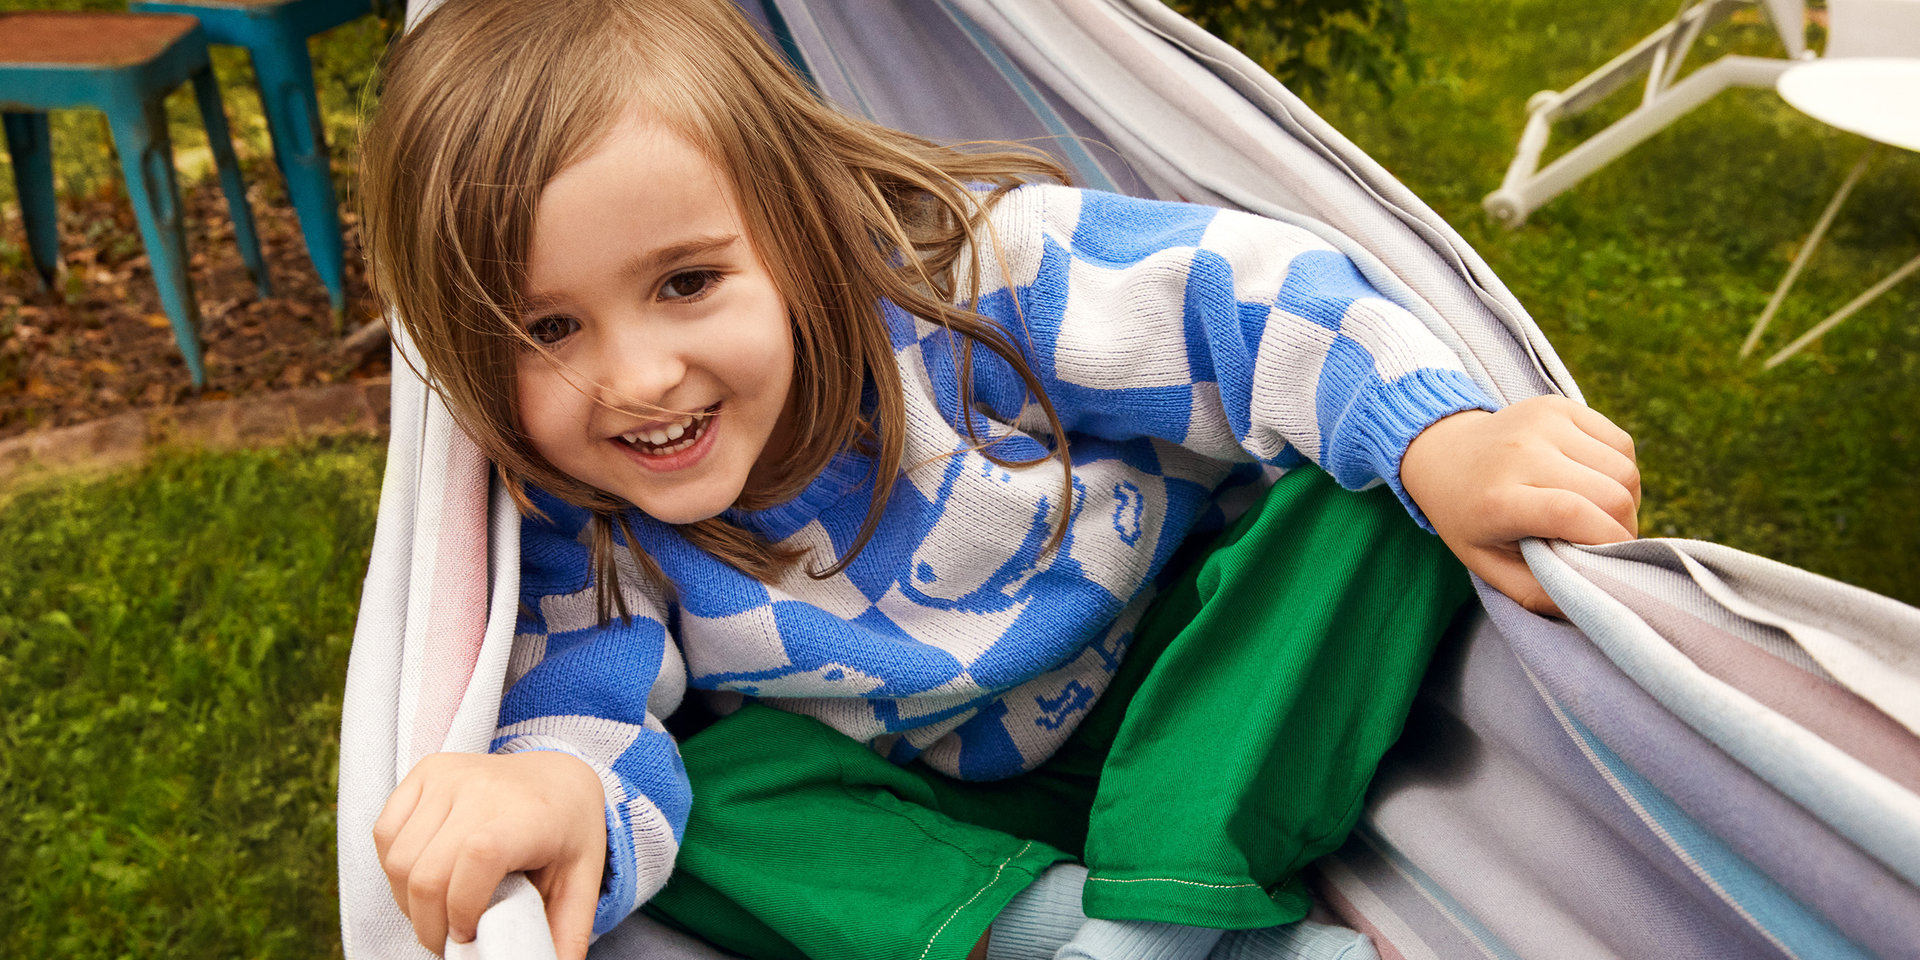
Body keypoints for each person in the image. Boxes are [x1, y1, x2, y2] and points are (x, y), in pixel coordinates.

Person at [356, 1, 1641, 958]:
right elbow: (587, 706)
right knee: (710, 796)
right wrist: (557, 785)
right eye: (546, 330)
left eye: (687, 283)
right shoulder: (584, 516)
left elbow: (1249, 305)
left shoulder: (982, 287)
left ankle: (1162, 926)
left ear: (797, 226)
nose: (637, 378)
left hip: (1189, 685)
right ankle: (1066, 934)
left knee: (1367, 498)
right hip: (944, 810)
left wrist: (1439, 441)